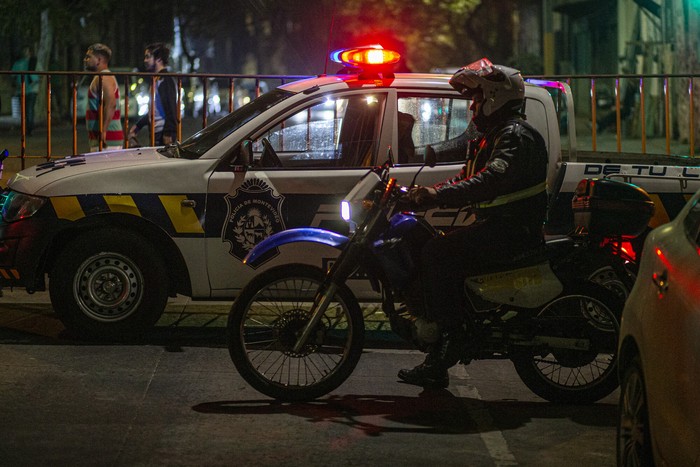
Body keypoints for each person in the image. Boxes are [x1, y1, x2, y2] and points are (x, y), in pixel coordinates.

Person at [398, 58, 549, 388]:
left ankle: (447, 345)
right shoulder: (494, 136)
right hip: (498, 227)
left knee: (439, 253)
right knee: (428, 240)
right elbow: (467, 179)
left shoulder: (515, 136)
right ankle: (444, 332)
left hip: (511, 232)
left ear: (496, 97)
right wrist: (417, 194)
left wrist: (434, 197)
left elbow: (489, 181)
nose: (473, 107)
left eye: (477, 98)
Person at [128, 43, 178, 146]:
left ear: (159, 59)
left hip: (163, 134)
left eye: (148, 57)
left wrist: (168, 133)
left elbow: (171, 109)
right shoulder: (156, 80)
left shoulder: (165, 80)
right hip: (157, 132)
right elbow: (155, 111)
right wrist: (138, 126)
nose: (145, 61)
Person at [84, 43, 124, 151]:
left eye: (88, 57)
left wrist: (103, 131)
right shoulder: (102, 76)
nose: (85, 60)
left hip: (107, 141)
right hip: (105, 139)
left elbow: (111, 104)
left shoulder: (104, 77)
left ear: (99, 60)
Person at [11, 46, 39, 136]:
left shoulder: (34, 62)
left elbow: (40, 74)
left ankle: (29, 128)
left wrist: (35, 82)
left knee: (29, 109)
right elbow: (13, 76)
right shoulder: (18, 63)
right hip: (22, 90)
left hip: (31, 89)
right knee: (25, 110)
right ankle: (27, 128)